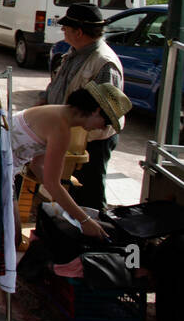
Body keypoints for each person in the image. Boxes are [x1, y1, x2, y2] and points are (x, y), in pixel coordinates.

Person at [12, 83, 132, 242]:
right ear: (96, 111)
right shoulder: (61, 129)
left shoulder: (58, 113)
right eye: (106, 123)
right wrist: (84, 220)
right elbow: (52, 183)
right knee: (11, 236)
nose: (102, 129)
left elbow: (38, 166)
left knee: (11, 236)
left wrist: (62, 201)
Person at [42, 3, 125, 214]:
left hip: (92, 141)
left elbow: (109, 111)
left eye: (66, 28)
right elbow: (58, 85)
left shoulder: (104, 62)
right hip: (70, 135)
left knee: (90, 196)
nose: (63, 31)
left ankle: (96, 233)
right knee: (69, 192)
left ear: (78, 32)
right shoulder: (75, 52)